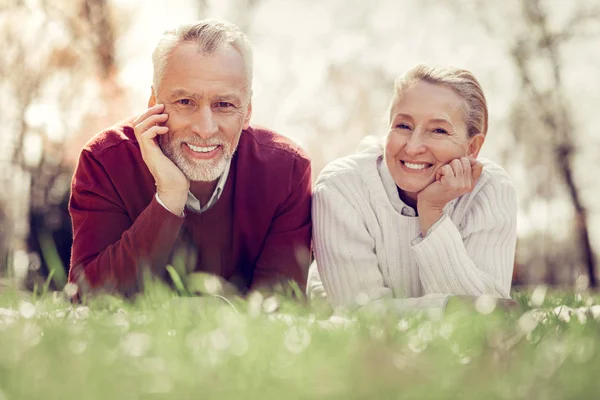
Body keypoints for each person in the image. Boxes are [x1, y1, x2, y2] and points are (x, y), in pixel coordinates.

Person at [68, 19, 312, 297]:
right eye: (185, 102)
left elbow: (280, 308)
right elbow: (88, 298)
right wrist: (168, 199)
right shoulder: (104, 161)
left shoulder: (288, 170)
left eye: (224, 105)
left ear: (247, 111)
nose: (205, 128)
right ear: (153, 102)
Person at [308, 65, 517, 314]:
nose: (413, 146)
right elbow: (359, 313)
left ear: (472, 148)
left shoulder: (490, 190)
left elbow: (487, 317)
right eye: (403, 126)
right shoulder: (342, 187)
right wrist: (448, 308)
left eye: (438, 130)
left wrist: (433, 213)